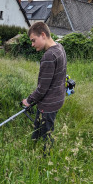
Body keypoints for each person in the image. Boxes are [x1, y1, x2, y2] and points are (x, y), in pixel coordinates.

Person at [22, 22, 67, 152]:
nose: (32, 44)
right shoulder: (60, 47)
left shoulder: (48, 56)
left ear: (43, 35)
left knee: (47, 134)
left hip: (49, 104)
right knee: (39, 125)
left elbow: (42, 88)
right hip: (57, 99)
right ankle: (32, 146)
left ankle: (46, 160)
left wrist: (28, 100)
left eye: (33, 40)